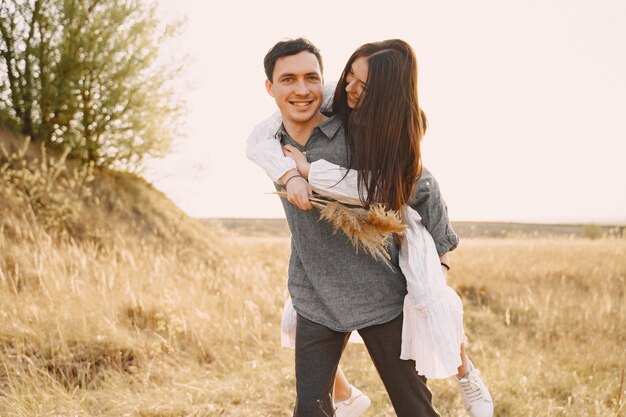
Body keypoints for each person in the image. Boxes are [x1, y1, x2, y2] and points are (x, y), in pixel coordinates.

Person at [248, 38, 493, 417]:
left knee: (415, 410)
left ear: (322, 81)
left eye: (311, 78)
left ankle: (465, 373)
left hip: (383, 297)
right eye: (288, 79)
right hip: (315, 296)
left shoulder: (357, 132)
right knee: (310, 411)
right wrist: (287, 172)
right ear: (270, 88)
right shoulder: (271, 143)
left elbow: (419, 183)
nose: (300, 90)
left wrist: (440, 259)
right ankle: (349, 399)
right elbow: (254, 144)